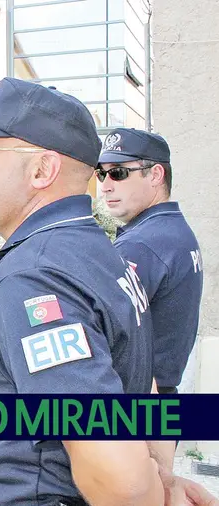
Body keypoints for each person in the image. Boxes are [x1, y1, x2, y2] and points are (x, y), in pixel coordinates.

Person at [0, 76, 165, 505]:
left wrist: (151, 490)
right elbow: (141, 387)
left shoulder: (36, 277)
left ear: (41, 170)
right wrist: (161, 478)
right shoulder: (99, 251)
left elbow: (121, 481)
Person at [97, 127, 204, 460]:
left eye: (119, 173)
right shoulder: (174, 230)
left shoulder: (143, 244)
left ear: (156, 174)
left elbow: (103, 333)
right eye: (101, 173)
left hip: (137, 412)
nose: (105, 185)